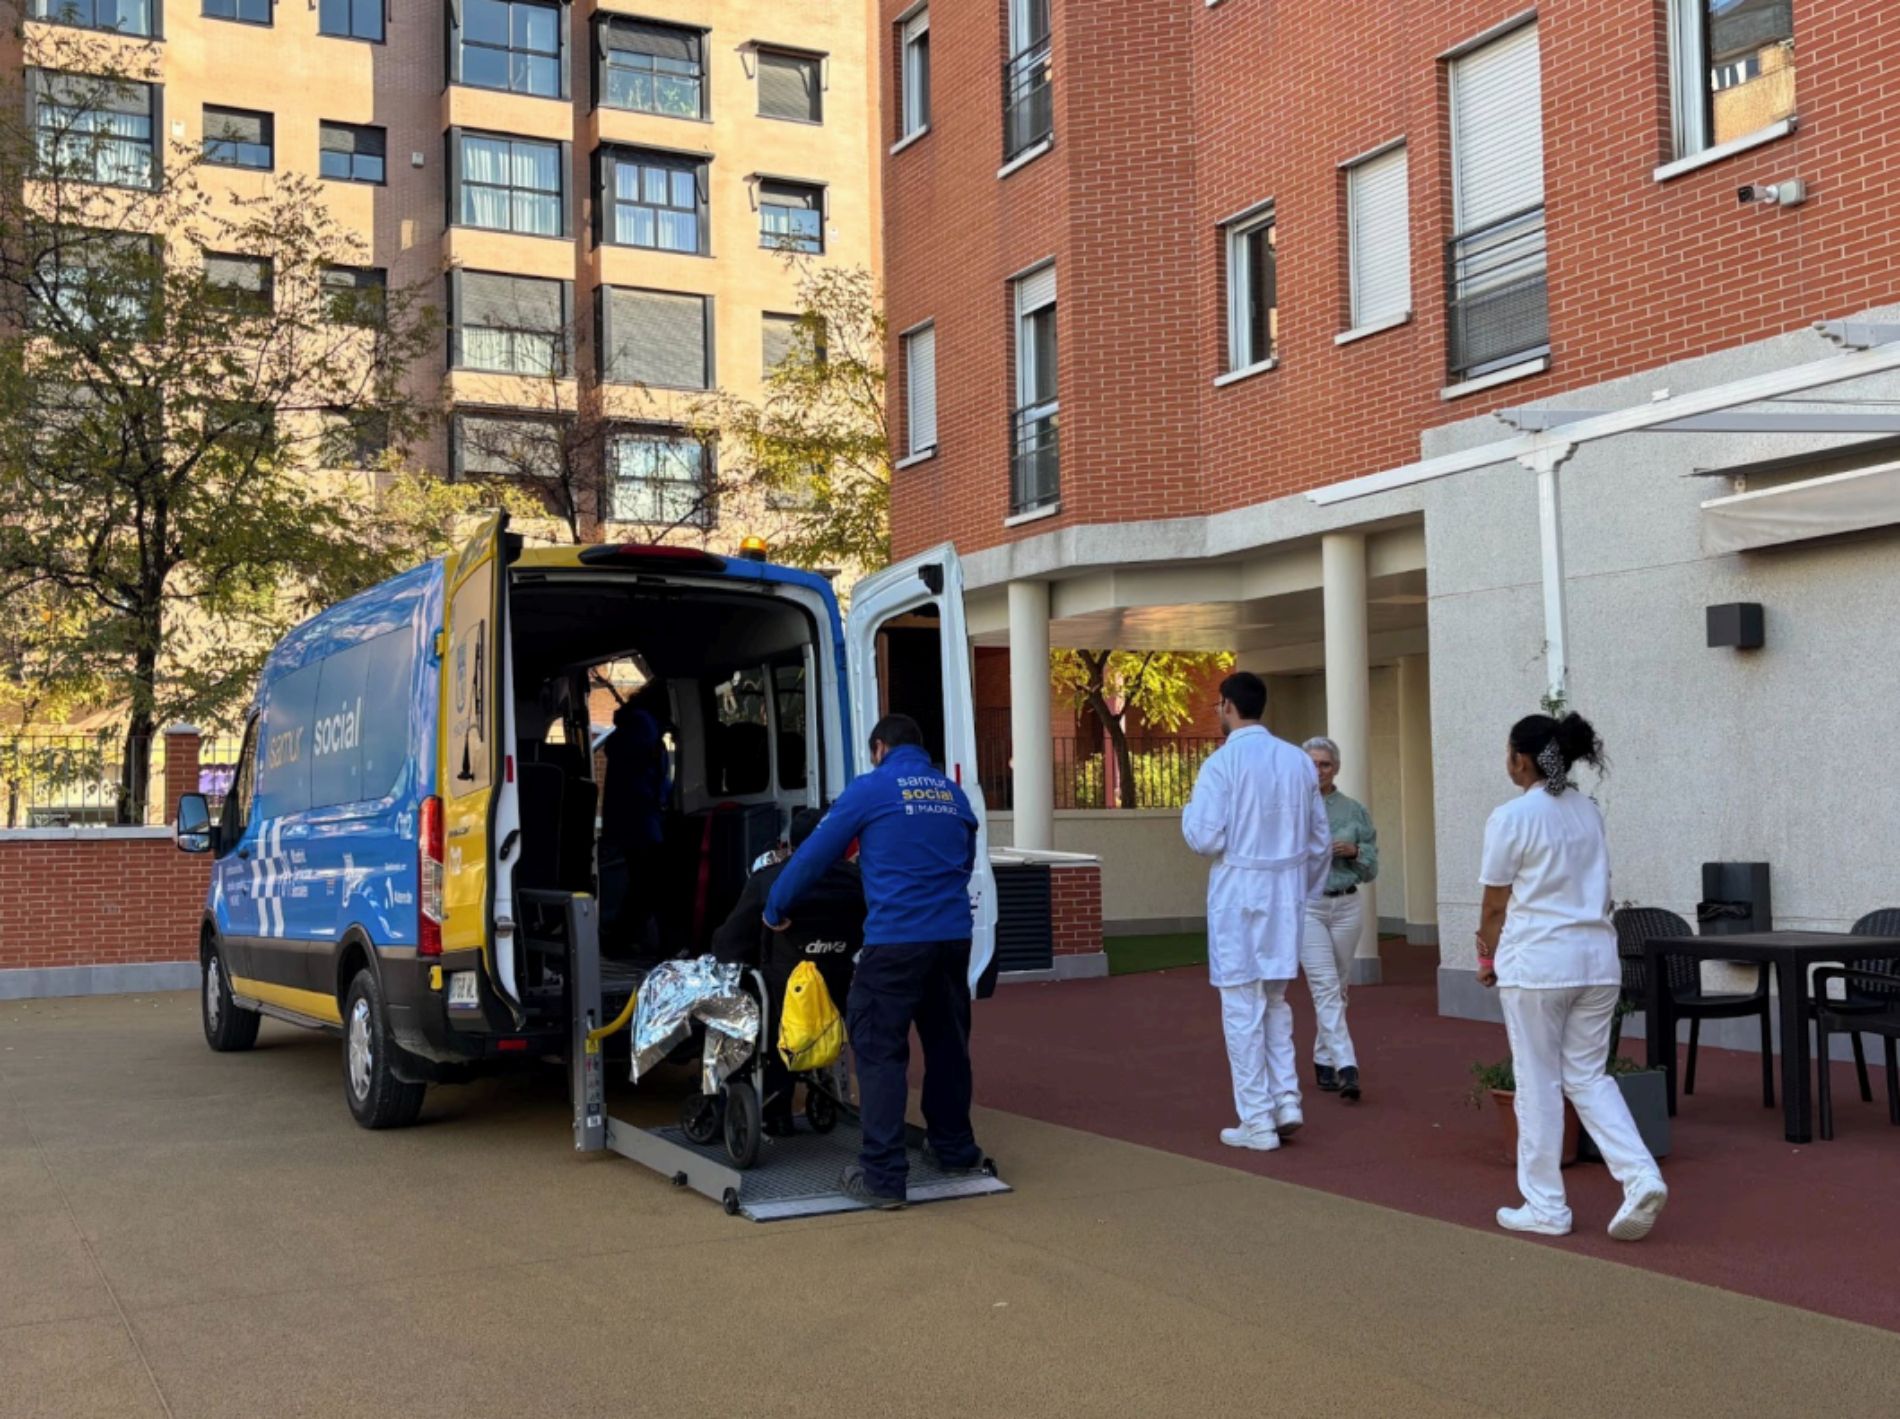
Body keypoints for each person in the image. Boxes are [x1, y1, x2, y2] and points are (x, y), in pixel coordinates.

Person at [763, 713, 982, 1208]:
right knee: (948, 1045)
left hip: (896, 941)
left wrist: (776, 907)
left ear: (880, 747)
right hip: (952, 938)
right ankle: (954, 1149)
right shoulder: (953, 794)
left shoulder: (872, 788)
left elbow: (814, 854)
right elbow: (964, 861)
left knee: (879, 1048)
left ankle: (882, 1176)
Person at [1476, 711, 1667, 1241]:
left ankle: (1546, 1206)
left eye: (1509, 752)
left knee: (1538, 1083)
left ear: (1521, 757)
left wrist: (1487, 958)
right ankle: (1640, 1175)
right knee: (1589, 1077)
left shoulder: (1511, 817)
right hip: (1597, 962)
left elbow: (1495, 904)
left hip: (1538, 964)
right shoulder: (1589, 811)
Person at [1182, 672, 1332, 1153]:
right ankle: (1285, 1099)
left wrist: (1192, 814)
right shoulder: (1298, 762)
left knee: (1241, 1005)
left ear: (1227, 705)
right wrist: (1300, 891)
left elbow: (1203, 836)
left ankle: (1257, 1119)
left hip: (1240, 892)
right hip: (1285, 892)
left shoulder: (1221, 764)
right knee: (1274, 1000)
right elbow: (1320, 842)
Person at [711, 807, 865, 1136]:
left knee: (744, 988)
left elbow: (730, 944)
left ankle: (767, 1106)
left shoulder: (770, 880)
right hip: (833, 996)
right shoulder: (859, 883)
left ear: (790, 845)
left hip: (781, 1001)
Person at [1300, 736, 1378, 1102]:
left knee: (1340, 985)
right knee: (1325, 985)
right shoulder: (1290, 808)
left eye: (1325, 764)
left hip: (1346, 904)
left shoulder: (1353, 810)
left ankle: (1322, 1058)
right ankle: (1347, 1065)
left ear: (1337, 768)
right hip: (1309, 906)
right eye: (1312, 763)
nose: (1318, 771)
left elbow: (1372, 866)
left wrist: (1355, 850)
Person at [597, 693, 669, 959]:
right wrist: (659, 801)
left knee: (639, 883)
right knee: (647, 885)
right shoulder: (645, 727)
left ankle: (622, 937)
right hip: (643, 821)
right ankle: (624, 939)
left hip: (629, 820)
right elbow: (650, 775)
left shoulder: (630, 728)